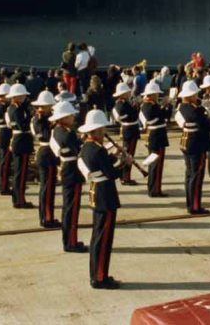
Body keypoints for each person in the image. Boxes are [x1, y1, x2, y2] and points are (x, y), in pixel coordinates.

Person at [78, 109, 125, 289]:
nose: (104, 132)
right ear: (96, 130)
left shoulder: (87, 147)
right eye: (102, 129)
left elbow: (101, 164)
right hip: (105, 195)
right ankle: (99, 277)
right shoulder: (98, 150)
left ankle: (97, 274)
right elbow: (111, 173)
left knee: (98, 236)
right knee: (104, 239)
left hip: (96, 192)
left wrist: (114, 156)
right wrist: (124, 162)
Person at [50, 100, 87, 253]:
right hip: (72, 170)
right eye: (70, 115)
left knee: (68, 207)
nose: (73, 117)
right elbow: (78, 150)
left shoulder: (57, 130)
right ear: (64, 117)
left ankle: (69, 240)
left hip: (66, 167)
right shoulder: (67, 133)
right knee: (72, 209)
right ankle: (71, 242)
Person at [175, 79, 210, 215]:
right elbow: (205, 125)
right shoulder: (197, 110)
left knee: (189, 174)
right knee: (197, 176)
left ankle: (190, 203)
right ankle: (195, 206)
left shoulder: (182, 107)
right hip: (197, 145)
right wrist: (207, 112)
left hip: (186, 143)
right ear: (191, 96)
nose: (197, 96)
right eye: (195, 94)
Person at [31, 90, 60, 228]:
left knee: (49, 188)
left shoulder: (45, 117)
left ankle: (48, 216)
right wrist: (55, 124)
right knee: (47, 189)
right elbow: (46, 135)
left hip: (48, 153)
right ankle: (47, 218)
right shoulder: (39, 119)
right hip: (46, 153)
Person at [6, 83, 34, 209]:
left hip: (19, 140)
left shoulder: (13, 107)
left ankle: (17, 198)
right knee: (21, 173)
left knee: (19, 171)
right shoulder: (17, 109)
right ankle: (19, 200)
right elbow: (23, 126)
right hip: (22, 140)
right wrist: (30, 116)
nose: (24, 97)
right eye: (22, 95)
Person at [139, 81, 169, 197]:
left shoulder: (148, 105)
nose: (157, 96)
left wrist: (164, 107)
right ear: (151, 95)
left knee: (154, 164)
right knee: (157, 165)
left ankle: (154, 188)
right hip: (157, 136)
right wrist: (164, 106)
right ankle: (155, 189)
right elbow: (159, 117)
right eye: (156, 94)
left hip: (154, 135)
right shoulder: (150, 106)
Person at [110, 82, 139, 185]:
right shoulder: (122, 104)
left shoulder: (123, 103)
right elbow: (128, 115)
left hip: (129, 129)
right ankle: (126, 177)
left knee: (127, 153)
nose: (128, 93)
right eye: (127, 92)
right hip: (130, 129)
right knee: (128, 154)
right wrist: (135, 108)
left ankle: (124, 176)